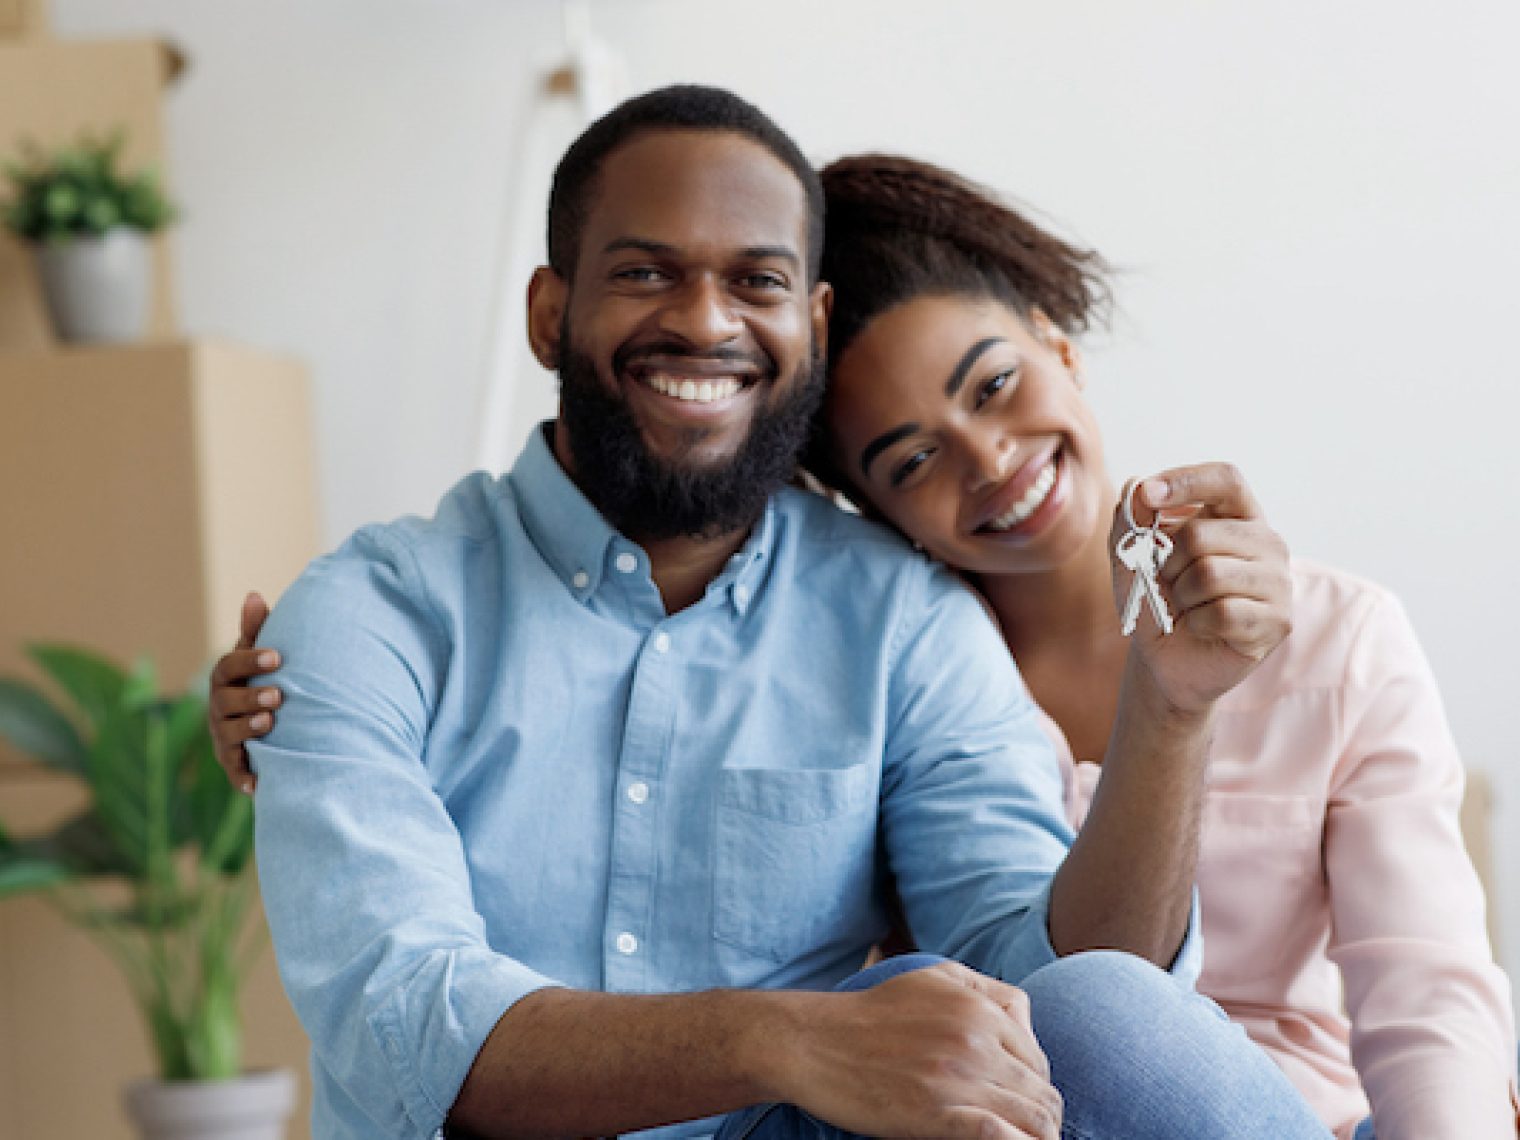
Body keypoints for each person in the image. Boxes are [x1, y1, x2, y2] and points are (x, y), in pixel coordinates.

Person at [213, 86, 1333, 1140]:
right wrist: (782, 1036)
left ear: (811, 316)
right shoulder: (367, 616)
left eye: (755, 281)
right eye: (647, 273)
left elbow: (1059, 990)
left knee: (1086, 1007)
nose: (705, 321)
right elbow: (402, 1017)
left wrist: (1171, 709)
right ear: (550, 312)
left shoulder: (898, 620)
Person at [794, 154, 1519, 1140]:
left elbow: (1427, 997)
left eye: (995, 385)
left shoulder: (1339, 640)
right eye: (913, 459)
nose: (992, 461)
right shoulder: (904, 698)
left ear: (1059, 348)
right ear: (875, 511)